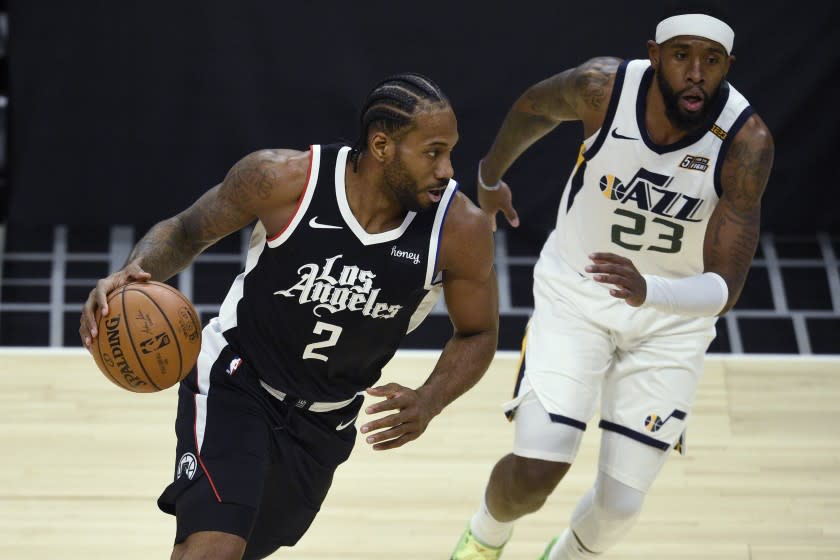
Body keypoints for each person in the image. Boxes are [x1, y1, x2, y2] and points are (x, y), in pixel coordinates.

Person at [79, 72, 499, 560]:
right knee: (213, 547)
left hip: (325, 420)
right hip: (238, 382)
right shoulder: (283, 180)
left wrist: (430, 399)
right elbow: (187, 230)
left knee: (250, 546)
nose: (447, 169)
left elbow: (479, 331)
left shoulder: (460, 229)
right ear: (382, 145)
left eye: (450, 151)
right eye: (433, 152)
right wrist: (135, 271)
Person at [451, 5, 774, 560]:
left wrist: (653, 292)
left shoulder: (746, 143)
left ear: (728, 67)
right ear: (654, 56)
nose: (696, 71)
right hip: (577, 294)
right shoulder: (602, 87)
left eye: (711, 60)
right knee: (535, 471)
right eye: (681, 56)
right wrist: (489, 175)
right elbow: (533, 107)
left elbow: (726, 288)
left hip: (671, 320)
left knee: (620, 506)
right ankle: (484, 539)